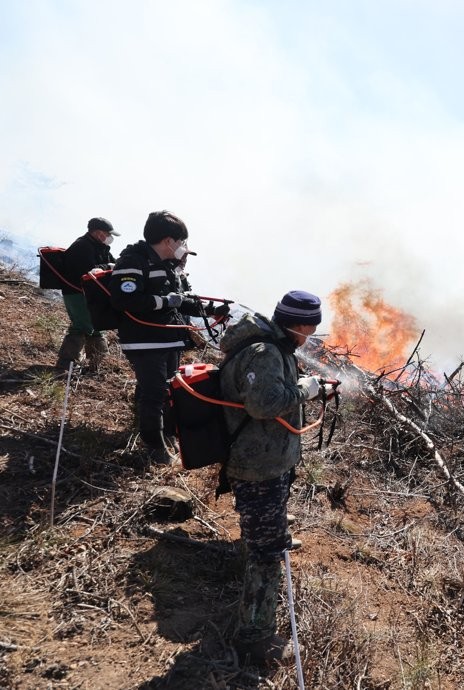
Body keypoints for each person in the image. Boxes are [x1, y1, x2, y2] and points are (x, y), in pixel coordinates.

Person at [217, 290, 326, 665]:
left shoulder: (275, 347)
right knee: (266, 554)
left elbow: (270, 391)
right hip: (257, 464)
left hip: (267, 459)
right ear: (298, 324)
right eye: (310, 329)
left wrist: (300, 386)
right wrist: (306, 390)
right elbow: (263, 404)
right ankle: (255, 638)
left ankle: (269, 528)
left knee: (267, 531)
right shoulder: (265, 352)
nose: (309, 337)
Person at [109, 211, 228, 465]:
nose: (183, 247)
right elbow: (123, 300)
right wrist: (164, 300)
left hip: (169, 339)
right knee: (155, 392)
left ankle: (163, 434)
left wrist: (210, 310)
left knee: (166, 390)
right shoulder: (133, 261)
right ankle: (154, 448)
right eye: (181, 241)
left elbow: (180, 303)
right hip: (145, 340)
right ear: (167, 241)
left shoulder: (168, 267)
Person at [55, 217, 119, 372]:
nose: (110, 238)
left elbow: (114, 263)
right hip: (76, 293)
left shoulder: (100, 247)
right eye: (107, 234)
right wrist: (109, 266)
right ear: (98, 233)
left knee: (97, 324)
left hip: (89, 294)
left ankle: (98, 364)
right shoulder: (82, 246)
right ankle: (66, 364)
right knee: (81, 326)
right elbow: (89, 270)